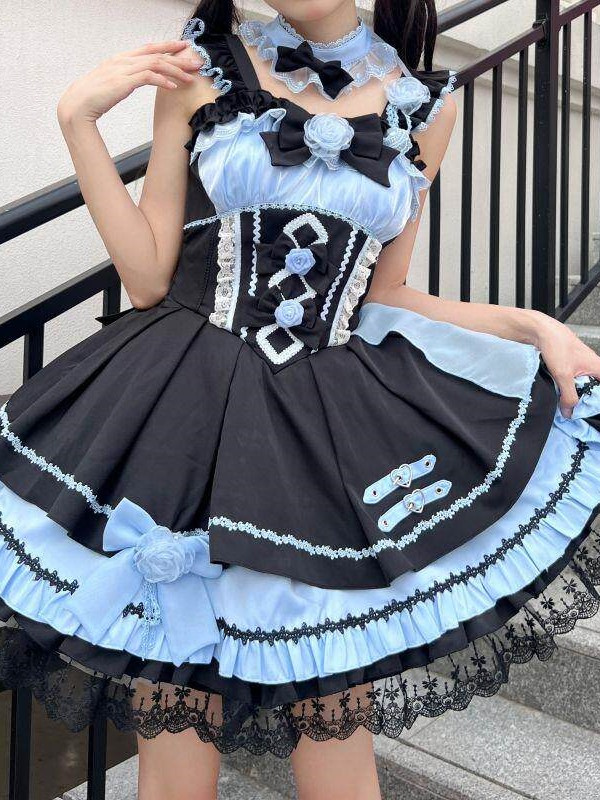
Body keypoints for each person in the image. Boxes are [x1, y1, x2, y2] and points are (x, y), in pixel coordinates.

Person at [1, 1, 599, 798]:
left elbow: (388, 294)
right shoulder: (201, 68)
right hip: (185, 415)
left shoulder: (428, 105)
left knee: (333, 715)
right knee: (176, 714)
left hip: (323, 431)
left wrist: (534, 326)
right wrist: (77, 121)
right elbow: (146, 278)